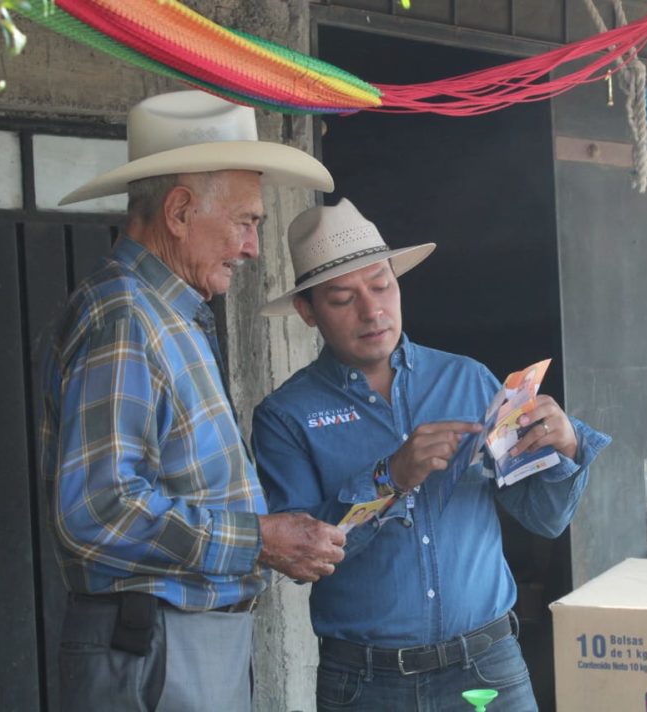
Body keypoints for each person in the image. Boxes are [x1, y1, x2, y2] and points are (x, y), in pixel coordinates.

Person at [39, 90, 347, 712]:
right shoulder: (126, 314)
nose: (254, 246)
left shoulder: (166, 312)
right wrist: (256, 539)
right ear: (179, 211)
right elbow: (98, 510)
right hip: (155, 642)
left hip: (180, 639)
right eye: (246, 221)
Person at [251, 198, 612, 711]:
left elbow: (545, 518)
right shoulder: (287, 415)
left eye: (381, 285)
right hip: (366, 682)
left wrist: (566, 445)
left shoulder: (466, 380)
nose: (372, 310)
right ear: (308, 311)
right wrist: (390, 477)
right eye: (341, 298)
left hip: (486, 665)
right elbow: (301, 559)